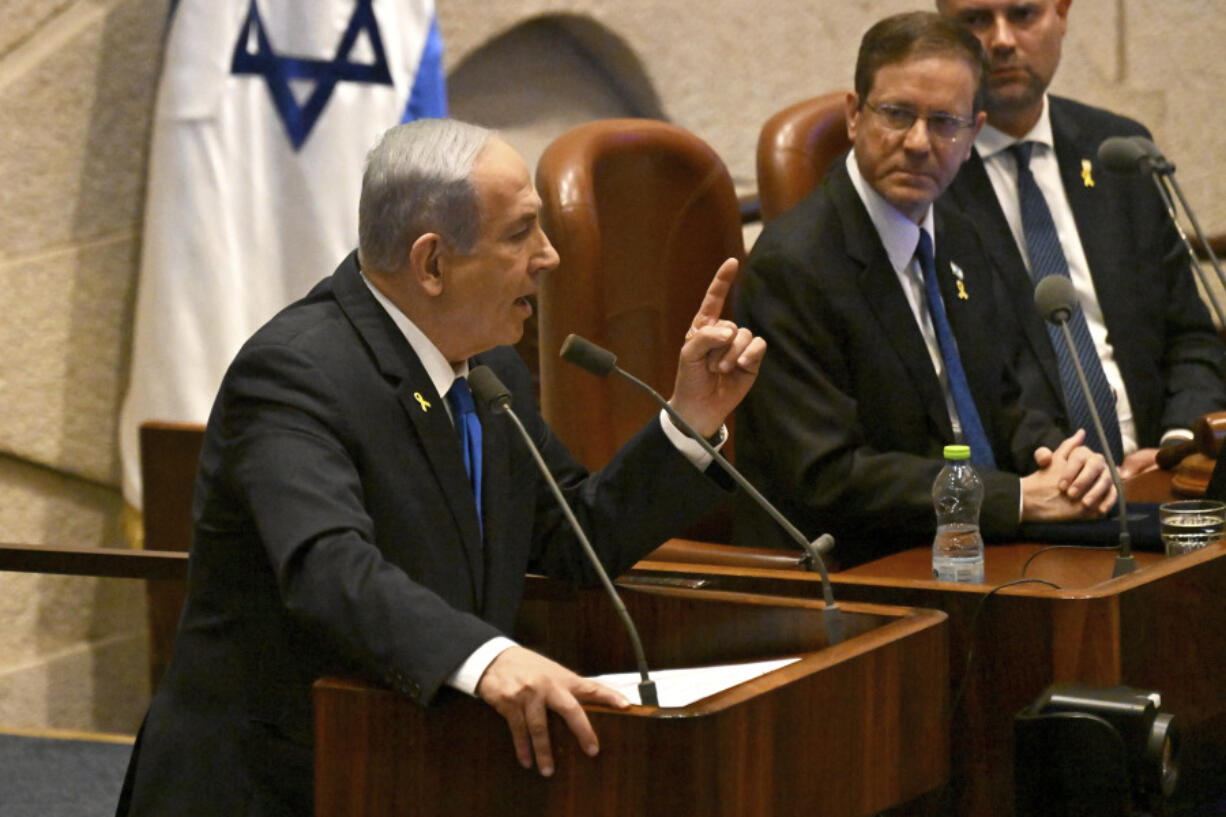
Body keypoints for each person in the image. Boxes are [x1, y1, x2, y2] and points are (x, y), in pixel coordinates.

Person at [115, 118, 766, 816]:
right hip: (269, 782)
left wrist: (689, 420)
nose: (548, 257)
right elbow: (327, 564)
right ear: (431, 263)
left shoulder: (488, 367)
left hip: (403, 765)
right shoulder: (295, 373)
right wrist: (487, 657)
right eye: (520, 234)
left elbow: (577, 530)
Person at [734, 11, 1115, 567]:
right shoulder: (791, 266)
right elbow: (829, 475)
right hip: (859, 567)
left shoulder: (960, 233)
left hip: (975, 546)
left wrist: (1061, 462)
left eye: (944, 122)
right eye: (896, 114)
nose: (918, 142)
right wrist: (1012, 498)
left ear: (972, 131)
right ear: (852, 116)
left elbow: (1010, 397)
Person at [937, 0, 1226, 476]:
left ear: (1062, 14)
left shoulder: (1119, 150)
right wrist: (1077, 469)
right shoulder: (928, 181)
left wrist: (1176, 448)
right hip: (1039, 486)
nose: (1002, 40)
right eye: (976, 20)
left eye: (1023, 13)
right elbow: (964, 381)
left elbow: (1189, 336)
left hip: (1166, 469)